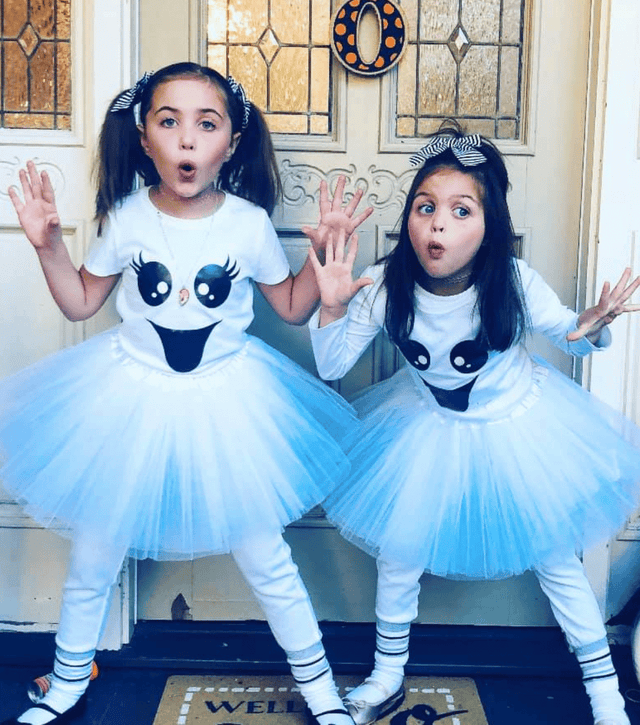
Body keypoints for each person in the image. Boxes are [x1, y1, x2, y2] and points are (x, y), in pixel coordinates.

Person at [0, 62, 371, 725]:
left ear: (230, 143)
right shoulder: (128, 217)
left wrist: (323, 267)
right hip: (128, 400)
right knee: (95, 551)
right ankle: (64, 680)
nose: (188, 140)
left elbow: (288, 306)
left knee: (266, 555)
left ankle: (321, 692)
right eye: (169, 123)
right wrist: (50, 245)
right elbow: (83, 299)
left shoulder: (249, 223)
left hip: (226, 404)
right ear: (145, 139)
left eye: (206, 124)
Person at [307, 128, 640, 725]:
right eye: (425, 207)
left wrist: (591, 325)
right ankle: (386, 676)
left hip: (517, 428)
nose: (438, 225)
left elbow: (573, 336)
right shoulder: (385, 285)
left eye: (462, 211)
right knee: (400, 551)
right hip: (426, 429)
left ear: (490, 225)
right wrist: (331, 307)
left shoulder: (510, 280)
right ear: (409, 215)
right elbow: (332, 365)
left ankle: (608, 697)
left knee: (556, 557)